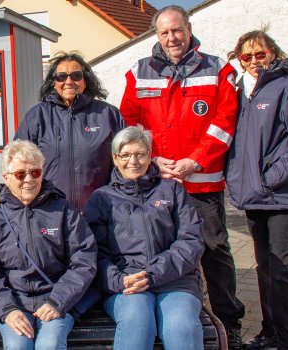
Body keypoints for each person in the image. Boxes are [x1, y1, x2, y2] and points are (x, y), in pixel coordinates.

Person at [119, 6, 245, 347]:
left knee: (214, 250)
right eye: (164, 33)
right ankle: (170, 311)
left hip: (201, 182)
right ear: (156, 36)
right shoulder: (138, 72)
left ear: (188, 30)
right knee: (158, 248)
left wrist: (195, 160)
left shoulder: (219, 69)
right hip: (155, 181)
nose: (171, 38)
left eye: (177, 30)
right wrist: (154, 159)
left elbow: (224, 123)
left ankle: (229, 323)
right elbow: (130, 124)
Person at [225, 29, 288, 350]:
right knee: (264, 268)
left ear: (273, 53)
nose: (253, 60)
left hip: (280, 196)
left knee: (282, 269)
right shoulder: (243, 93)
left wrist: (270, 178)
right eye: (246, 56)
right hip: (255, 198)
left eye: (259, 54)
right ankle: (270, 332)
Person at [85, 126, 205, 350]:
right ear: (115, 158)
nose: (134, 161)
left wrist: (153, 274)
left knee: (181, 327)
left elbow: (191, 240)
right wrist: (117, 280)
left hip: (175, 280)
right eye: (126, 155)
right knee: (137, 323)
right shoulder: (101, 198)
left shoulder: (172, 191)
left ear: (151, 156)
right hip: (126, 283)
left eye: (140, 154)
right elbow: (94, 252)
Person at [0, 140, 97, 350]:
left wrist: (58, 301)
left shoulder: (63, 211)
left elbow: (83, 259)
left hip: (56, 298)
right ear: (6, 178)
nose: (28, 180)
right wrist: (7, 310)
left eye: (35, 173)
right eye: (20, 174)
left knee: (50, 345)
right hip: (15, 302)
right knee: (17, 346)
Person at [14, 52, 124, 211]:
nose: (69, 81)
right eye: (62, 76)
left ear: (85, 81)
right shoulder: (37, 116)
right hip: (50, 212)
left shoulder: (108, 114)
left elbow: (124, 163)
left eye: (76, 75)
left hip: (98, 212)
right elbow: (18, 163)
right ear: (53, 82)